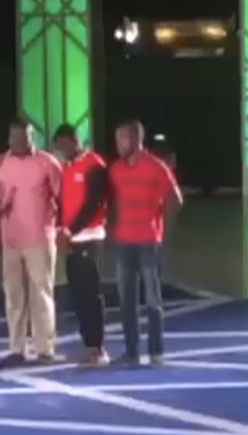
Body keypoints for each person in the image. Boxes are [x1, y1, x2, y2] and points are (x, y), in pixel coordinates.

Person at [0, 117, 63, 365]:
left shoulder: (48, 163)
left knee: (42, 293)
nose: (19, 141)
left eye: (25, 136)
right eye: (15, 136)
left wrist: (58, 228)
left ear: (33, 137)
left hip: (40, 239)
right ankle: (16, 348)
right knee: (13, 295)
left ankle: (45, 348)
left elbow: (61, 198)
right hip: (10, 240)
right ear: (9, 137)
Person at [109, 120, 182, 365]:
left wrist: (163, 231)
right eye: (117, 139)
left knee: (152, 299)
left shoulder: (155, 167)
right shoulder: (116, 170)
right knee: (126, 301)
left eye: (123, 138)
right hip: (124, 241)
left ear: (137, 139)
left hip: (148, 241)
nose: (119, 144)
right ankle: (131, 352)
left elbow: (175, 199)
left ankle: (155, 350)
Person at [53, 124, 110, 366]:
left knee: (90, 294)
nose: (61, 151)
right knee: (78, 294)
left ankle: (97, 347)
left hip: (89, 237)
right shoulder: (68, 167)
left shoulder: (94, 165)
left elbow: (94, 203)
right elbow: (64, 203)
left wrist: (70, 229)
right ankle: (88, 345)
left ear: (74, 141)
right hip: (73, 240)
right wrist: (61, 228)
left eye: (63, 146)